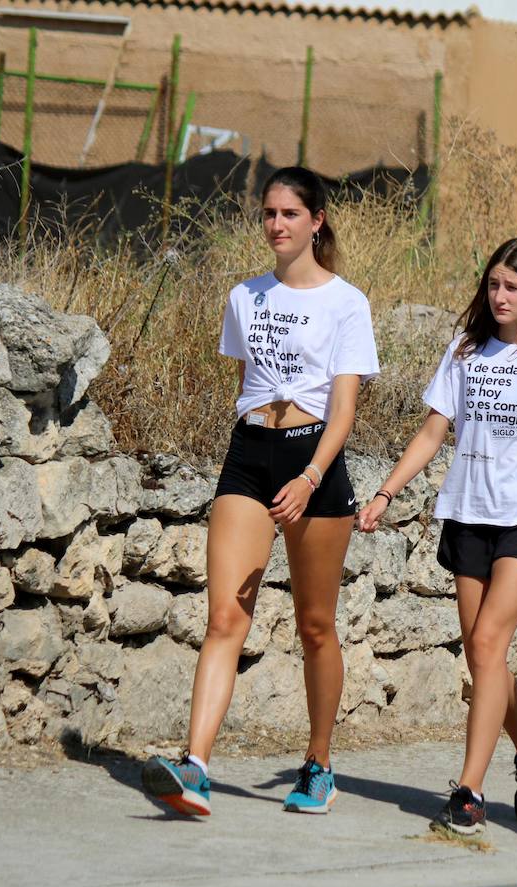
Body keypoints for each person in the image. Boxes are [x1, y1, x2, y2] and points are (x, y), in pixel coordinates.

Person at [141, 167, 379, 817]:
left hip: (314, 461)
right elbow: (248, 381)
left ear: (316, 221)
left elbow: (344, 410)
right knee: (224, 616)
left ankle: (320, 763)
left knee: (315, 624)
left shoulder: (345, 303)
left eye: (289, 214)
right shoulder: (245, 296)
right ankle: (195, 768)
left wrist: (307, 478)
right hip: (249, 453)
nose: (276, 225)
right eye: (269, 214)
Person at [357, 237, 517, 839]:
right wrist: (385, 492)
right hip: (469, 512)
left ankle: (469, 791)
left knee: (492, 639)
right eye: (493, 284)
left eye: (512, 287)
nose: (499, 296)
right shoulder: (466, 351)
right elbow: (431, 433)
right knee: (482, 655)